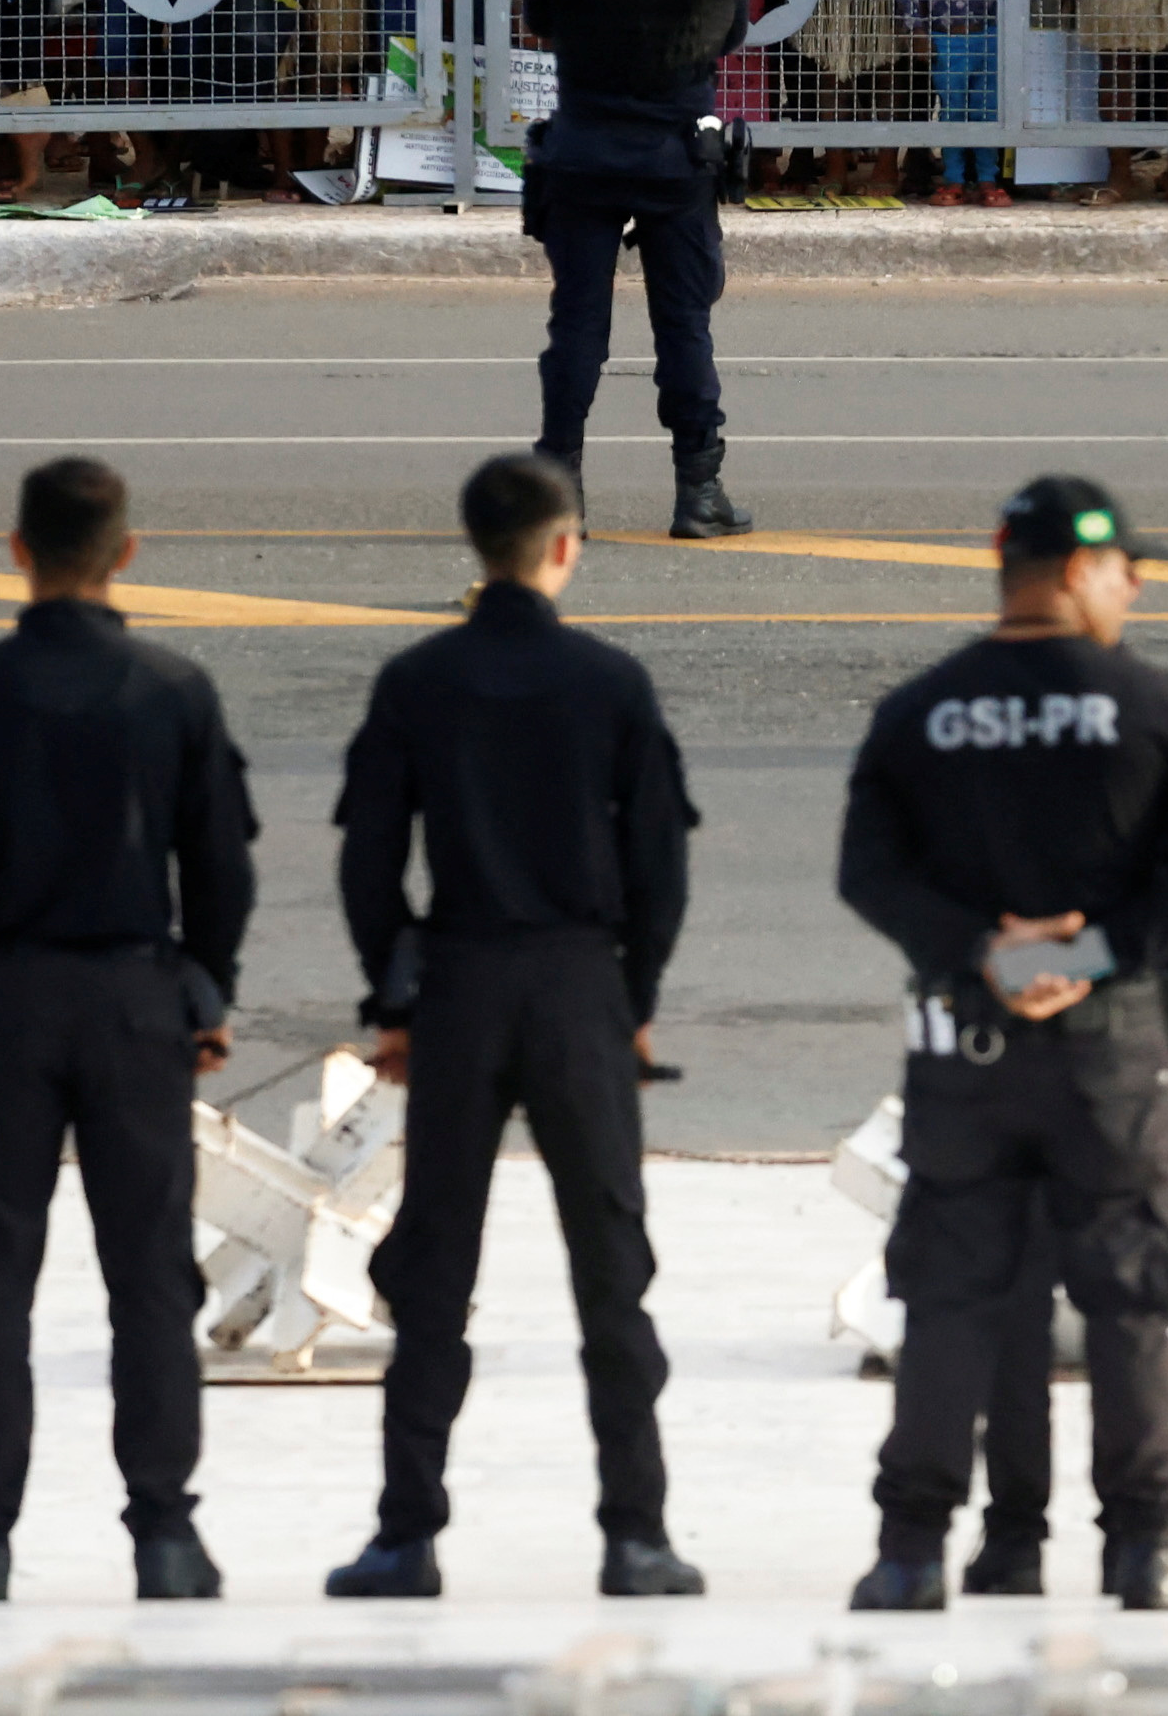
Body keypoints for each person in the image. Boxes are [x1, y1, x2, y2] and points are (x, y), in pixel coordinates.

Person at [836, 473, 1168, 1614]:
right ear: (1077, 569)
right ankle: (1149, 1548)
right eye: (1125, 567)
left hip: (963, 1044)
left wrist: (986, 952)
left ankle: (911, 1551)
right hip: (1106, 1049)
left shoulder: (919, 709)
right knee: (1128, 1295)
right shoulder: (1158, 704)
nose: (1130, 588)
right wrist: (1099, 949)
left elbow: (867, 872)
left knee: (948, 1298)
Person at [326, 449, 703, 1602]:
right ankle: (634, 1532)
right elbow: (659, 863)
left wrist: (394, 998)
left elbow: (368, 860)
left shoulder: (417, 679)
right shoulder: (609, 681)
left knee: (434, 1264)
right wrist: (631, 1000)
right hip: (578, 981)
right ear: (563, 544)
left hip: (459, 981)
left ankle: (405, 1531)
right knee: (609, 1266)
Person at [0, 450, 255, 1606]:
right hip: (134, 994)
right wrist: (203, 988)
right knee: (149, 1272)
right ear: (126, 554)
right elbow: (218, 868)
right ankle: (162, 1528)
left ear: (16, 551)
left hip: (6, 994)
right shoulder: (172, 687)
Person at [518, 0, 752, 539]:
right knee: (684, 326)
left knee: (576, 325)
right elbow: (732, 33)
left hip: (583, 148)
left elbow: (539, 20)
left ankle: (559, 495)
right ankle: (698, 492)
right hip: (675, 155)